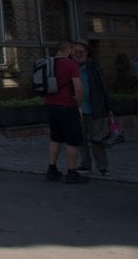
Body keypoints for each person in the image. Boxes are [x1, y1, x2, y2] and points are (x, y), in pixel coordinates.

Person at [44, 39, 87, 184]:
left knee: (55, 138)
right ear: (68, 49)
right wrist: (79, 104)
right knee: (72, 140)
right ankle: (72, 172)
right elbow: (78, 88)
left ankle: (52, 169)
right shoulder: (71, 64)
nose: (74, 52)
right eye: (73, 50)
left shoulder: (48, 63)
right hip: (67, 106)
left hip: (50, 105)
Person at [74, 41, 113, 176]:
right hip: (77, 109)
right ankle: (85, 165)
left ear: (87, 52)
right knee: (81, 140)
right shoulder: (72, 67)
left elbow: (103, 88)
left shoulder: (94, 68)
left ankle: (102, 166)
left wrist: (108, 107)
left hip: (94, 108)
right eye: (75, 52)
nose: (77, 55)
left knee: (97, 139)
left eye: (80, 52)